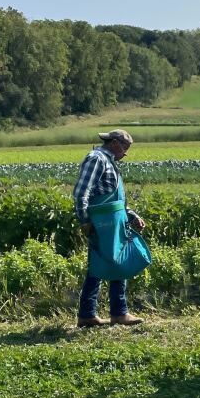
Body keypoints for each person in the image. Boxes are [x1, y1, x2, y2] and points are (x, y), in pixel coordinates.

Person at [73, 129, 149, 327]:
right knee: (100, 265)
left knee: (116, 263)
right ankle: (91, 314)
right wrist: (85, 220)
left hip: (115, 220)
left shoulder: (109, 162)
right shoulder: (96, 159)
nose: (125, 153)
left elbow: (116, 200)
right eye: (125, 148)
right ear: (114, 143)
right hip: (102, 222)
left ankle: (114, 313)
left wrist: (132, 216)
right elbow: (82, 192)